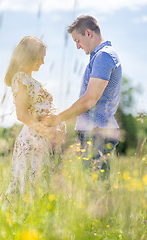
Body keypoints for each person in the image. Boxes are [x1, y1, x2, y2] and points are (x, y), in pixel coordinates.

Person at [46, 15, 122, 177]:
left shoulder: (103, 56)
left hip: (97, 134)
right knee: (92, 190)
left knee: (96, 191)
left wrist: (57, 119)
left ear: (88, 33)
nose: (78, 47)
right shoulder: (99, 57)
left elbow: (90, 100)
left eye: (77, 41)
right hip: (94, 133)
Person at [4, 36, 64, 201]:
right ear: (29, 54)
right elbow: (22, 114)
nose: (43, 62)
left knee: (47, 186)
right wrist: (48, 132)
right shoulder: (20, 78)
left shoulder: (29, 80)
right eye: (40, 57)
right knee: (34, 187)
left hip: (44, 139)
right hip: (35, 139)